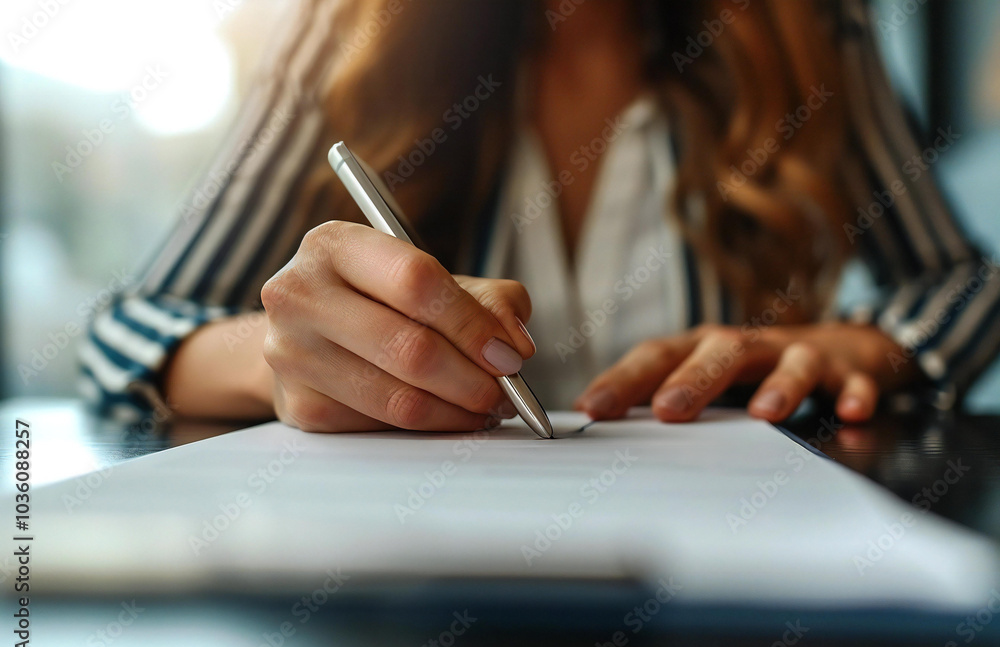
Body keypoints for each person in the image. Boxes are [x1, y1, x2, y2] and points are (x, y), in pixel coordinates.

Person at [81, 0, 999, 433]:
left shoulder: (812, 27)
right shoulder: (344, 35)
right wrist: (276, 363)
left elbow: (963, 285)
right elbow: (126, 330)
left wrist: (867, 345)